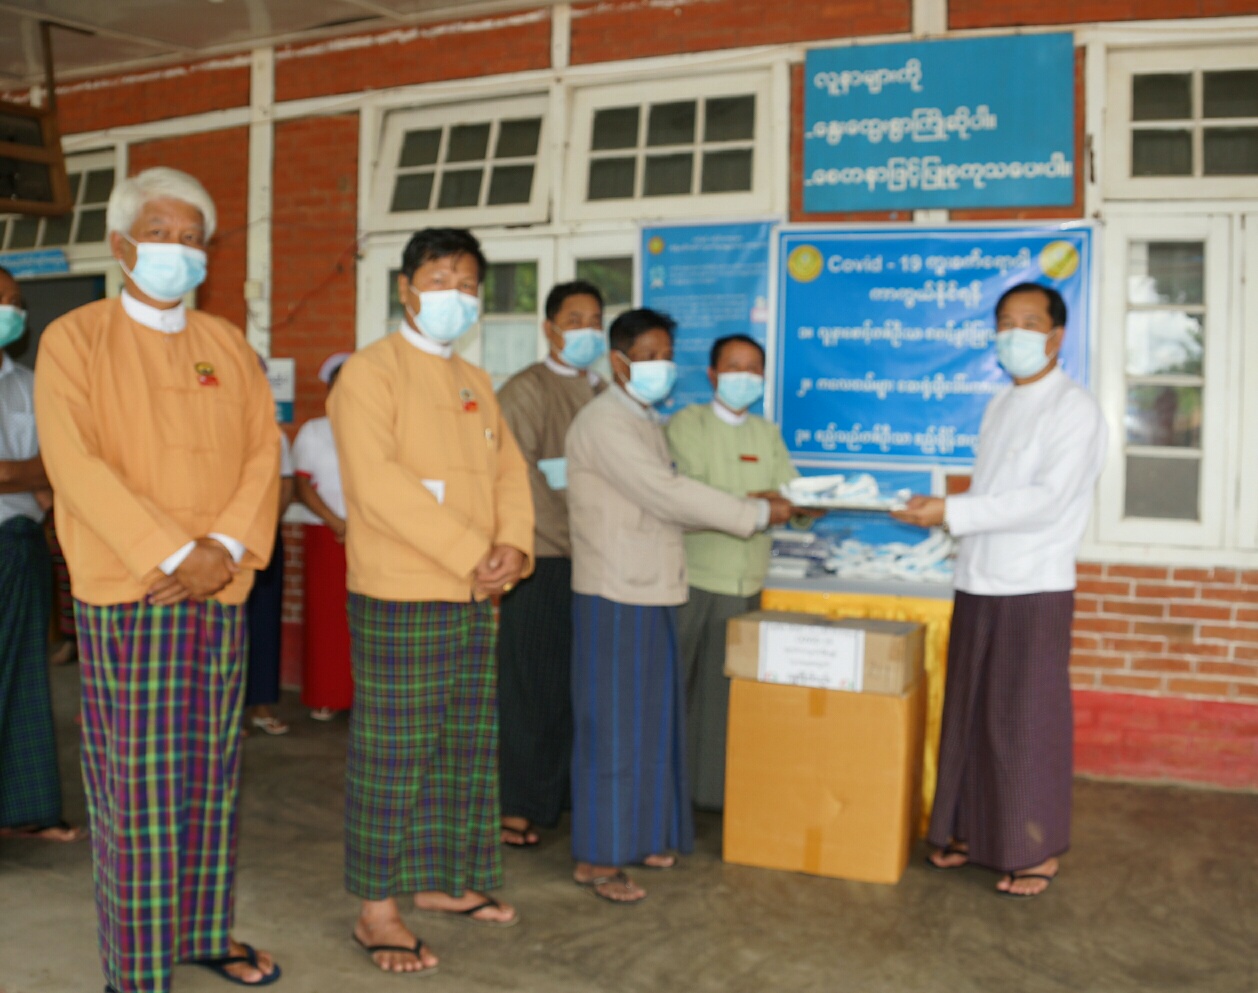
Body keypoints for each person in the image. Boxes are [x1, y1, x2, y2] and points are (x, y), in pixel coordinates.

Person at [34, 167, 282, 990]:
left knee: (212, 772)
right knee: (138, 787)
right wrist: (176, 554)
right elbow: (77, 465)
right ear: (121, 245)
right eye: (160, 234)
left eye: (192, 239)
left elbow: (264, 451)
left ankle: (202, 929)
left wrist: (220, 549)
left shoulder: (227, 345)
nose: (179, 250)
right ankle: (137, 967)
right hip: (133, 589)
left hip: (220, 587)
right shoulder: (76, 339)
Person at [329, 228, 534, 975]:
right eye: (441, 278)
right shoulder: (369, 373)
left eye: (469, 284)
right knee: (392, 753)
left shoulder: (474, 377)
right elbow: (376, 484)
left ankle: (442, 881)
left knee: (462, 744)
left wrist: (513, 545)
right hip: (403, 591)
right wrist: (471, 552)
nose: (457, 295)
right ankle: (375, 910)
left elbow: (509, 473)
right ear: (407, 289)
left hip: (473, 591)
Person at [565, 308, 794, 904]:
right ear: (618, 362)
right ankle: (598, 857)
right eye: (648, 356)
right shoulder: (606, 423)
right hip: (615, 589)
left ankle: (639, 836)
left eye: (667, 355)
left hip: (653, 585)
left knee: (650, 724)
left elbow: (668, 500)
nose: (660, 366)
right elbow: (665, 493)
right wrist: (753, 512)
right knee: (614, 729)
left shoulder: (643, 419)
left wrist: (758, 509)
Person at [892, 282, 1106, 899]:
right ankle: (966, 832)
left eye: (1029, 323)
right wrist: (945, 511)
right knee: (970, 715)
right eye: (1005, 322)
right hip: (978, 580)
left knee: (1023, 722)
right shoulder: (1000, 404)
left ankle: (1032, 851)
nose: (1015, 334)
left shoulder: (1075, 409)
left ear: (1057, 336)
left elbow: (1046, 501)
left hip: (1033, 586)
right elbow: (990, 495)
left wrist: (951, 512)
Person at [666, 333, 802, 810]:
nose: (744, 377)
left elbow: (791, 493)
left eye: (753, 368)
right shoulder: (688, 424)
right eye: (734, 367)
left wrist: (803, 504)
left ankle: (713, 797)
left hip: (748, 582)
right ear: (712, 374)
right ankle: (668, 794)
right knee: (680, 690)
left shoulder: (766, 433)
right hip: (697, 577)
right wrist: (761, 504)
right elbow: (691, 497)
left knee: (727, 699)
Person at [495, 279, 606, 849]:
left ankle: (557, 795)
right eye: (574, 320)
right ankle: (516, 805)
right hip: (541, 558)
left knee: (574, 687)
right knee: (530, 689)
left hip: (596, 562)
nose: (586, 331)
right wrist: (572, 532)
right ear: (549, 328)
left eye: (595, 321)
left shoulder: (603, 391)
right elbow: (517, 477)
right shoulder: (526, 389)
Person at [0, 265, 84, 845]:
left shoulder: (29, 384)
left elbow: (59, 467)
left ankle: (25, 809)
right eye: (1, 298)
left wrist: (26, 473)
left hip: (19, 546)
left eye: (17, 302)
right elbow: (28, 471)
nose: (12, 311)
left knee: (25, 679)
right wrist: (28, 473)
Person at [292, 352, 353, 722]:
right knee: (327, 618)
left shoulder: (379, 428)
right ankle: (327, 694)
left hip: (370, 537)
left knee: (362, 618)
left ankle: (360, 696)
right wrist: (336, 522)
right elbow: (301, 486)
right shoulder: (314, 431)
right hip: (326, 536)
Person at [244, 413, 295, 737]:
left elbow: (285, 485)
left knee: (264, 621)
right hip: (217, 541)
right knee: (224, 623)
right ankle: (226, 711)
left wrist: (262, 529)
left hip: (262, 537)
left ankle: (261, 705)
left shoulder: (276, 435)